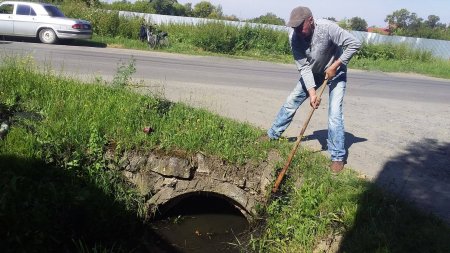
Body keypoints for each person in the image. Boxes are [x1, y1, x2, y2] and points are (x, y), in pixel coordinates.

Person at [267, 6, 361, 173]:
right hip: (312, 72)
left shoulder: (327, 28)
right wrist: (312, 93)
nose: (296, 31)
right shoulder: (294, 37)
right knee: (291, 101)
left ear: (310, 20)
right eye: (294, 27)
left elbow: (354, 44)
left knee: (334, 113)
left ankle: (337, 157)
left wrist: (335, 66)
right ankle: (272, 135)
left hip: (336, 73)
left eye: (299, 26)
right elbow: (303, 67)